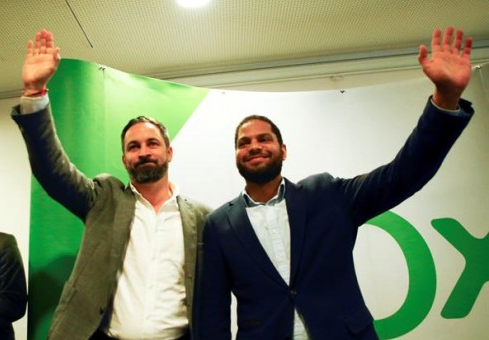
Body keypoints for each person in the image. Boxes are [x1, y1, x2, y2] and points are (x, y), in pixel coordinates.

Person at [193, 26, 475, 339]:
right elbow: (212, 312)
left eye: (264, 139)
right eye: (244, 143)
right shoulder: (218, 224)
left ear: (283, 150)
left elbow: (401, 175)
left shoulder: (326, 194)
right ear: (235, 155)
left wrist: (446, 100)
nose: (254, 146)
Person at [11, 29, 210, 339]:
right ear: (124, 159)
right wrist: (35, 93)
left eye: (151, 144)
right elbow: (52, 170)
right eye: (134, 147)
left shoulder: (201, 217)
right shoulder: (103, 199)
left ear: (168, 152)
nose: (143, 152)